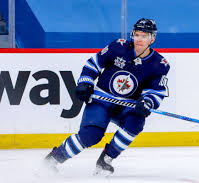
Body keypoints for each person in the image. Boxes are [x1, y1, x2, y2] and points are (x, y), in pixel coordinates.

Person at [44, 18, 170, 175]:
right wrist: (85, 82)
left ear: (153, 38)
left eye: (144, 36)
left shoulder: (160, 64)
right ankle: (53, 159)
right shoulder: (118, 46)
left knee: (136, 122)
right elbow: (93, 64)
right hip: (101, 100)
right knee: (91, 135)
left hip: (127, 106)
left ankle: (105, 160)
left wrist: (147, 102)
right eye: (137, 34)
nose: (139, 39)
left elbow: (155, 91)